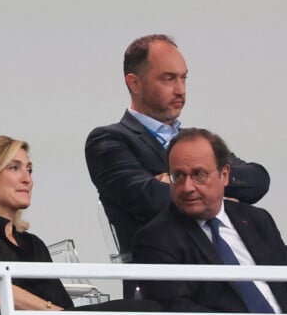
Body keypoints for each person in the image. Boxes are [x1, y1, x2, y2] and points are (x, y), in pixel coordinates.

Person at [0, 135, 183, 315]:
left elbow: (64, 307)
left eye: (30, 170)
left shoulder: (32, 244)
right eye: (14, 168)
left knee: (150, 312)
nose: (27, 179)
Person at [85, 34, 270, 259]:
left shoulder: (194, 142)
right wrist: (215, 188)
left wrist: (205, 182)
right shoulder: (109, 140)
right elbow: (150, 199)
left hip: (233, 254)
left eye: (183, 78)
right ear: (134, 83)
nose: (180, 90)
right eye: (168, 79)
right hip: (169, 265)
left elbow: (257, 179)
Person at [133, 128, 287, 315]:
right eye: (178, 176)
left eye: (198, 175)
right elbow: (177, 310)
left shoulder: (257, 220)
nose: (187, 187)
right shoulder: (155, 239)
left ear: (224, 175)